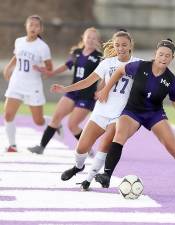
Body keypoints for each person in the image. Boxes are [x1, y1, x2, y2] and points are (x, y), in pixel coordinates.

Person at [94, 39, 175, 194]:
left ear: (172, 58)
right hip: (133, 111)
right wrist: (106, 89)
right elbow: (120, 70)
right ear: (155, 54)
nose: (163, 58)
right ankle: (106, 175)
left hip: (154, 114)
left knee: (173, 148)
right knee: (119, 134)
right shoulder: (140, 66)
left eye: (167, 56)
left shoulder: (170, 79)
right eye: (161, 54)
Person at [51, 30, 140, 191]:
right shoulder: (107, 63)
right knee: (81, 148)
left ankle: (89, 180)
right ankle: (78, 167)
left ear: (130, 45)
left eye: (124, 45)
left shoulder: (139, 63)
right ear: (113, 46)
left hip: (119, 115)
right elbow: (87, 81)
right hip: (101, 111)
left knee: (105, 145)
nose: (120, 48)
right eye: (117, 45)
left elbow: (154, 76)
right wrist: (66, 88)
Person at [28, 27, 103, 154]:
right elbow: (66, 65)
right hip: (72, 92)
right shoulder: (77, 53)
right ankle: (41, 147)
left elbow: (105, 77)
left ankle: (87, 149)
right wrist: (51, 73)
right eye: (88, 37)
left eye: (94, 38)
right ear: (83, 38)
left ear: (98, 41)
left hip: (87, 96)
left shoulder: (99, 57)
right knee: (55, 118)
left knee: (72, 125)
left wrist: (101, 90)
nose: (90, 40)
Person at [3, 15, 53, 152]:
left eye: (37, 25)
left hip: (33, 86)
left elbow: (50, 68)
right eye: (31, 24)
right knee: (8, 115)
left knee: (38, 121)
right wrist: (8, 67)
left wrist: (42, 69)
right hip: (16, 83)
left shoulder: (43, 47)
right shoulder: (19, 41)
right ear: (26, 26)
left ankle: (54, 125)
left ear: (40, 29)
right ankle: (12, 145)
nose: (33, 27)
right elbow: (17, 56)